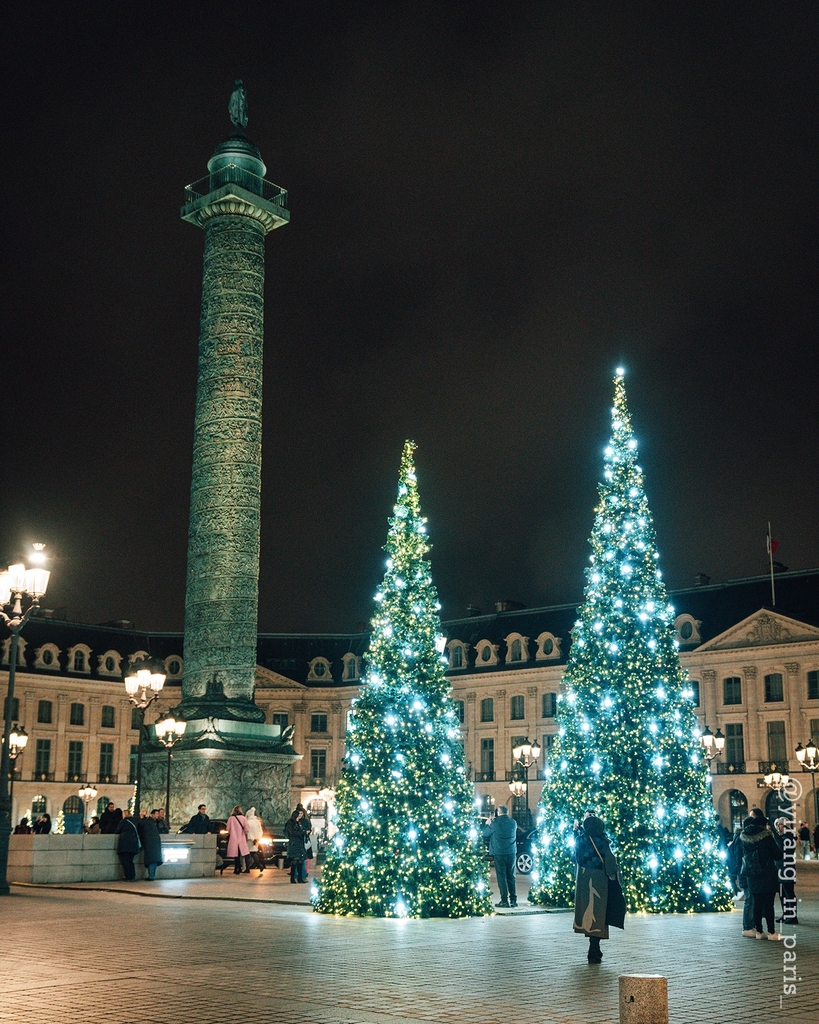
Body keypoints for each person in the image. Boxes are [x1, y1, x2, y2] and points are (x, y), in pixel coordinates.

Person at [572, 811, 625, 964]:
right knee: (599, 912)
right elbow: (610, 864)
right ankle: (594, 948)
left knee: (587, 910)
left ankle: (593, 947)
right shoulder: (603, 842)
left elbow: (576, 858)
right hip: (599, 880)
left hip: (583, 878)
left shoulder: (580, 840)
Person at [739, 814, 782, 940]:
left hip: (752, 875)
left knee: (757, 904)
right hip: (767, 875)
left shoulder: (745, 838)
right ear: (763, 826)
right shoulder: (767, 837)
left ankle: (759, 932)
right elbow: (778, 855)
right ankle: (772, 933)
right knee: (768, 905)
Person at [482, 805, 518, 908]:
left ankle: (504, 900)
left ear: (498, 812)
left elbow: (485, 833)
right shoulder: (513, 822)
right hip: (511, 852)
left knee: (501, 877)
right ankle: (513, 900)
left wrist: (487, 823)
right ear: (507, 812)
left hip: (499, 853)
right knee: (511, 876)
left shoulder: (495, 823)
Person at [773, 817, 798, 924]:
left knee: (789, 893)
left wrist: (777, 837)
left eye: (780, 825)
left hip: (787, 868)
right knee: (782, 893)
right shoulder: (782, 836)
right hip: (780, 868)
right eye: (777, 825)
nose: (778, 827)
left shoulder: (788, 836)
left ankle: (793, 916)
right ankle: (786, 914)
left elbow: (782, 849)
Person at [285, 807, 310, 883]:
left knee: (300, 861)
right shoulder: (290, 823)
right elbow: (292, 833)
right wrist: (303, 832)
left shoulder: (299, 823)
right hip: (294, 844)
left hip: (300, 844)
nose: (300, 817)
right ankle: (293, 878)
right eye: (298, 816)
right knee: (294, 861)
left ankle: (300, 878)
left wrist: (305, 832)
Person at [138, 809, 164, 881]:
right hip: (156, 842)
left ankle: (151, 876)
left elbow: (140, 832)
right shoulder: (152, 822)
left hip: (149, 843)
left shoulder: (142, 822)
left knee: (151, 860)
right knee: (154, 859)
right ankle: (152, 875)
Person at [115, 809, 140, 881]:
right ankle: (132, 876)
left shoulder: (123, 822)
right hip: (134, 845)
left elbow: (117, 830)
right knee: (131, 861)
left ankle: (128, 876)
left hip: (125, 845)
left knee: (125, 861)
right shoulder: (135, 821)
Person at [226, 805, 250, 874]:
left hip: (234, 838)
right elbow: (247, 829)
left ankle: (237, 868)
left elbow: (228, 829)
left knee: (236, 855)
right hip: (241, 838)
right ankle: (247, 868)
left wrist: (232, 832)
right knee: (245, 853)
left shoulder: (231, 818)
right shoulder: (243, 818)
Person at [245, 807, 265, 873]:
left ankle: (249, 868)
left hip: (250, 840)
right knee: (254, 853)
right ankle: (259, 865)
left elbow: (248, 832)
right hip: (256, 840)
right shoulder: (257, 822)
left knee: (248, 854)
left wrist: (251, 838)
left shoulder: (248, 822)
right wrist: (257, 838)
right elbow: (260, 831)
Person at [297, 803, 313, 876]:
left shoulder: (305, 821)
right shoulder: (304, 820)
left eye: (301, 813)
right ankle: (304, 871)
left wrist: (306, 832)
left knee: (305, 857)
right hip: (302, 839)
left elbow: (309, 829)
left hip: (304, 839)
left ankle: (305, 871)